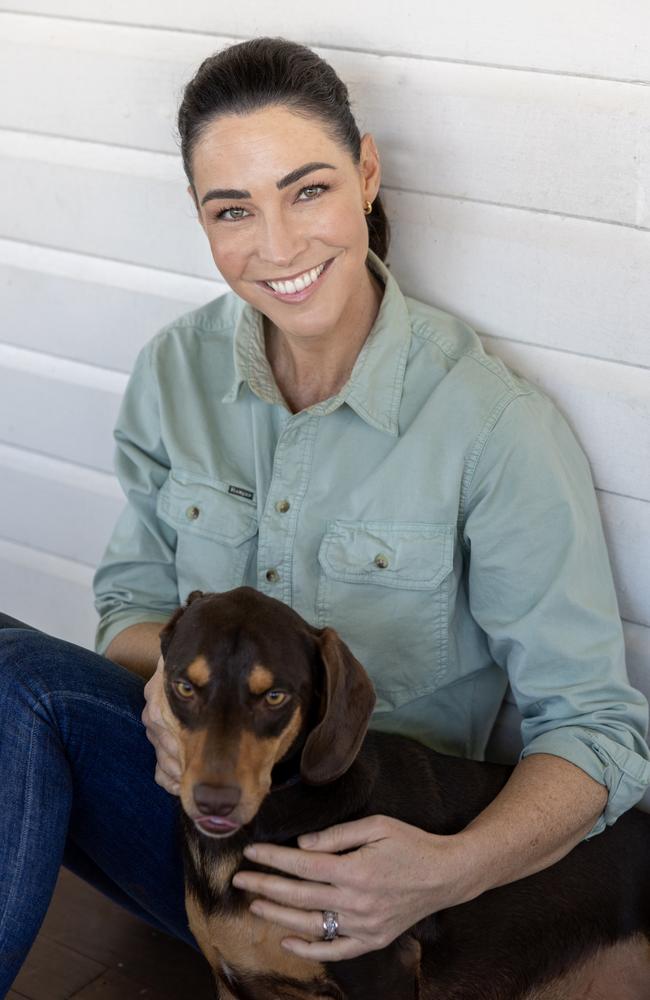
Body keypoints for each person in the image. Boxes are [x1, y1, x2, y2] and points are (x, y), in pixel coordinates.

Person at [1, 36, 649, 990]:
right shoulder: (176, 375)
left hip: (384, 883)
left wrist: (439, 875)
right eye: (234, 209)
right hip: (199, 824)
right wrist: (164, 697)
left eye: (306, 191)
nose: (277, 247)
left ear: (367, 174)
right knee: (12, 672)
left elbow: (598, 732)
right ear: (201, 218)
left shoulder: (493, 429)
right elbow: (131, 608)